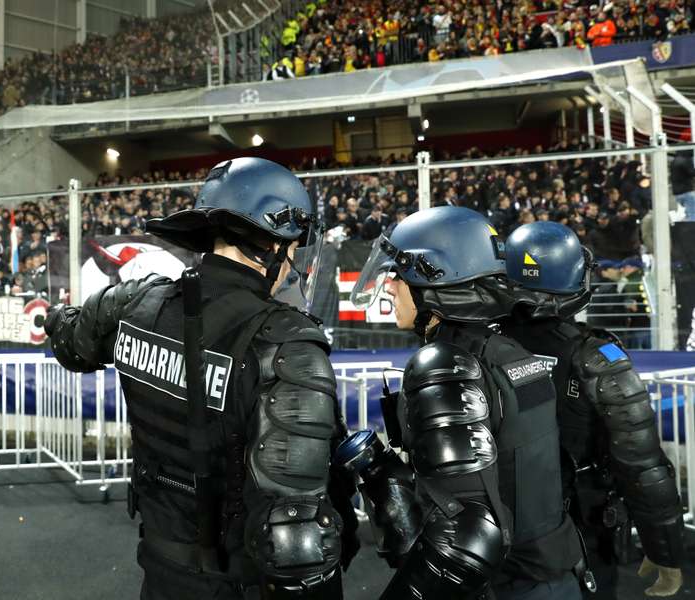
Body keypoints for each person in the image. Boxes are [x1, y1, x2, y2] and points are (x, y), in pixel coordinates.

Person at [44, 157, 357, 600]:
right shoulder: (284, 342)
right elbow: (293, 536)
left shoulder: (138, 302)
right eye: (290, 248)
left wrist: (60, 316)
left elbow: (69, 343)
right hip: (237, 581)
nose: (293, 264)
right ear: (267, 246)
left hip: (158, 566)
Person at [348, 206, 584, 600]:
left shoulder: (445, 363)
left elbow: (467, 538)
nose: (389, 286)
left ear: (433, 278)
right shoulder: (509, 353)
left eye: (398, 275)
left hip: (501, 585)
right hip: (551, 574)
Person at [500, 222, 686, 599]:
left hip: (497, 534)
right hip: (580, 534)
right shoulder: (598, 357)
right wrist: (663, 548)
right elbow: (642, 466)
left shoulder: (478, 347)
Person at [670, 142, 695, 221]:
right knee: (692, 214)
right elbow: (692, 172)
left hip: (677, 192)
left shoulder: (675, 161)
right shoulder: (685, 160)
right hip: (687, 191)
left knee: (687, 214)